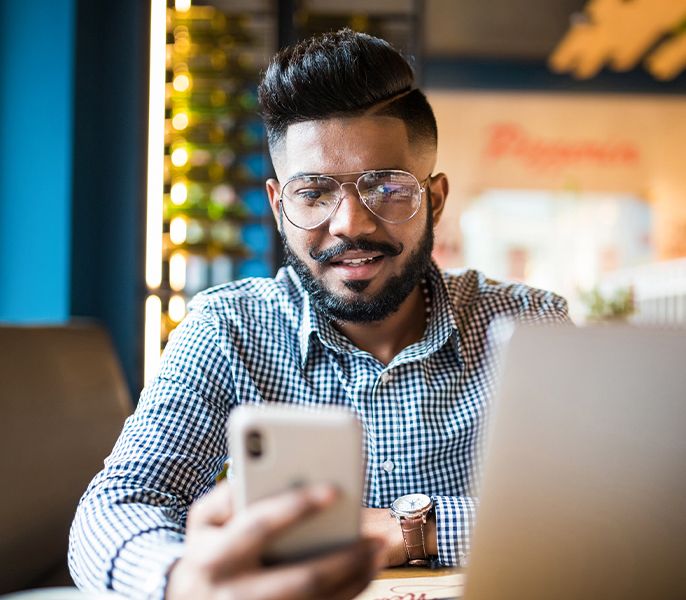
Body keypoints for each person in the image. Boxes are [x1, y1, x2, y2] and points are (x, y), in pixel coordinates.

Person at [69, 29, 569, 600]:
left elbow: (599, 503)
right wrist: (182, 580)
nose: (350, 224)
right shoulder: (228, 330)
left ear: (433, 199)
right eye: (313, 192)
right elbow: (115, 509)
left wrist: (405, 530)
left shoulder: (530, 322)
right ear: (280, 208)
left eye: (386, 186)